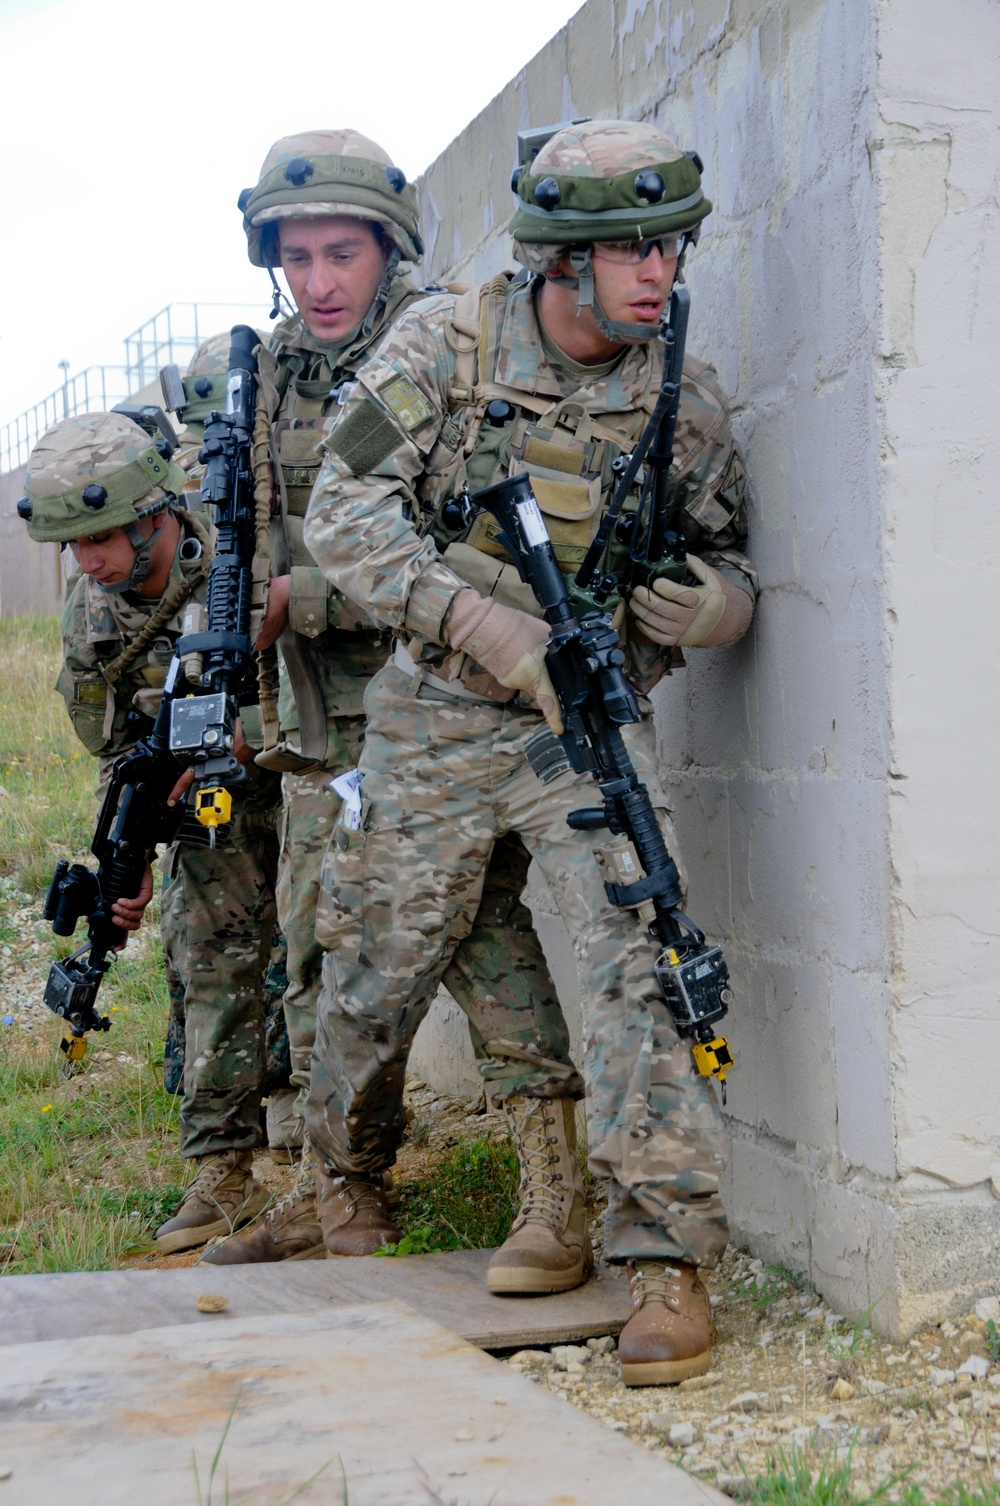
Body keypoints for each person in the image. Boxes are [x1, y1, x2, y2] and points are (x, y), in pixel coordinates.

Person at [301, 119, 758, 1384]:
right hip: (437, 710)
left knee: (636, 957)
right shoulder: (444, 345)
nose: (656, 270)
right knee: (377, 961)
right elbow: (340, 510)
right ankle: (341, 1174)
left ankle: (661, 1258)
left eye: (668, 243)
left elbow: (726, 550)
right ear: (561, 262)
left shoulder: (683, 402)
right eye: (625, 250)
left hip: (577, 728)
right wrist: (477, 619)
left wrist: (719, 606)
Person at [201, 130, 584, 1279]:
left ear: (387, 249)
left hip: (441, 713)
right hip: (322, 728)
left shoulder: (445, 352)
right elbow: (251, 537)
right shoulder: (271, 371)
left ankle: (556, 1196)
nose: (316, 282)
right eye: (295, 258)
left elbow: (464, 554)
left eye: (338, 254)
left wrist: (301, 601)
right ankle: (342, 1196)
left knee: (482, 947)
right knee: (326, 959)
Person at [19, 410, 282, 1253]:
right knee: (205, 955)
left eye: (98, 538)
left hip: (300, 770)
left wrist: (246, 731)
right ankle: (223, 1170)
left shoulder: (240, 554)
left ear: (152, 514)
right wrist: (126, 852)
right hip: (200, 801)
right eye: (72, 545)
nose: (86, 562)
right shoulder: (90, 613)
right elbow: (115, 747)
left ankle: (335, 1167)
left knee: (322, 956)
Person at [161, 334, 298, 1163]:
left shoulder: (300, 491)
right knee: (214, 935)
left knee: (304, 941)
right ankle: (223, 1136)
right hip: (228, 752)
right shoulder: (184, 523)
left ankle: (301, 1118)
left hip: (305, 737)